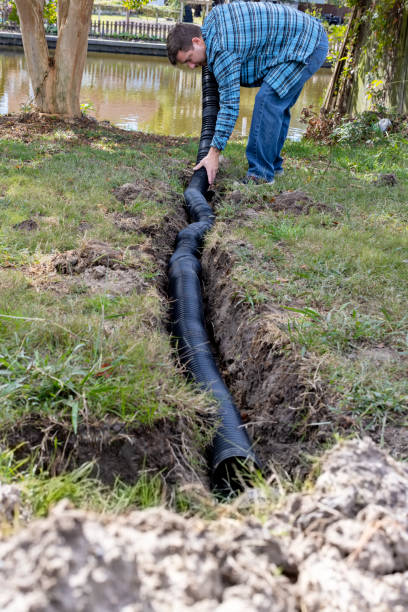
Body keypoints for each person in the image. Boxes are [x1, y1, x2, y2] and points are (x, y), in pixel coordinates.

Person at [167, 2, 328, 185]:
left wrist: (213, 153)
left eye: (189, 59)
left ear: (197, 41)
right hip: (303, 37)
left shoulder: (223, 50)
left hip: (307, 44)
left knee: (268, 100)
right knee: (276, 104)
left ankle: (260, 176)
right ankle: (272, 166)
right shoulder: (211, 23)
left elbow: (229, 106)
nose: (191, 66)